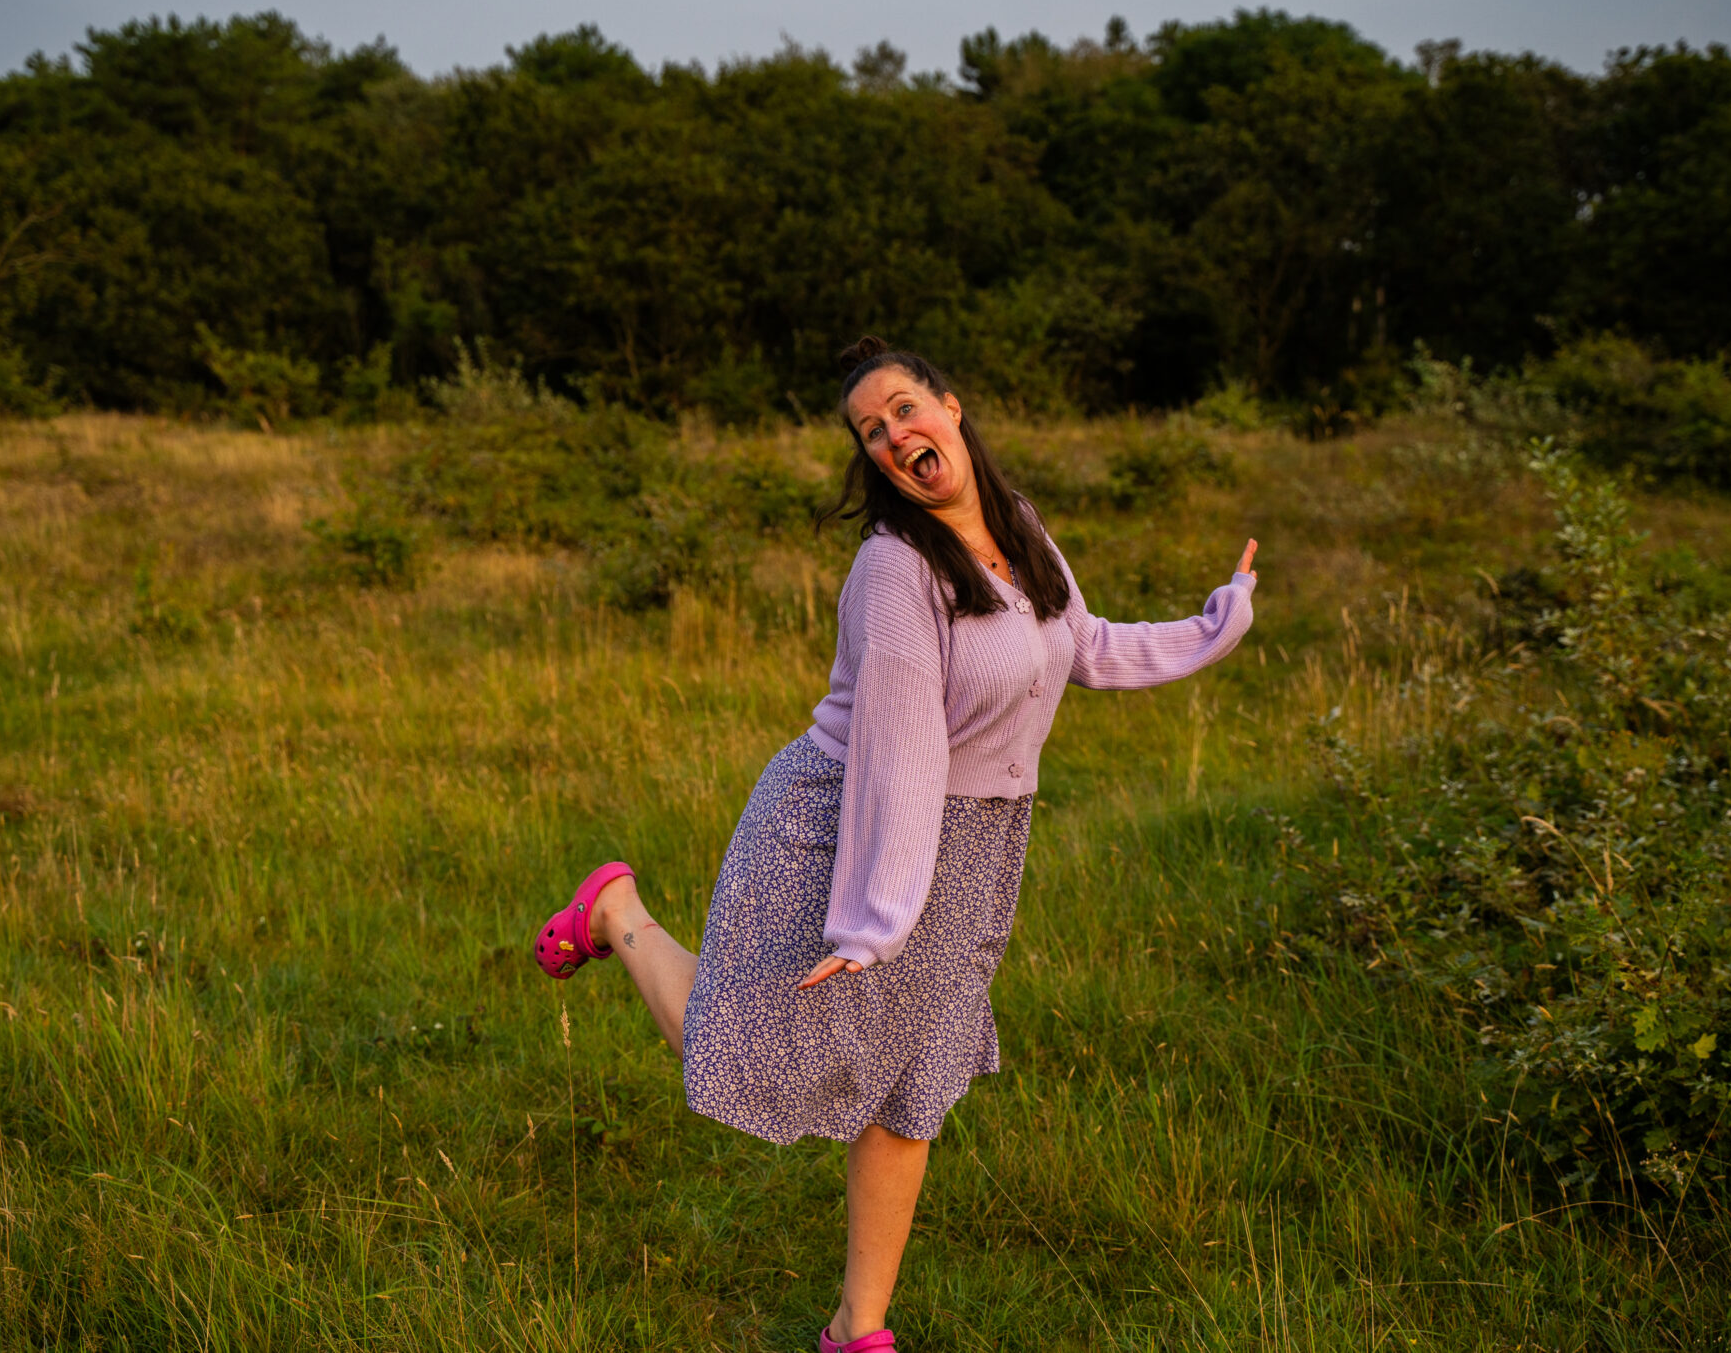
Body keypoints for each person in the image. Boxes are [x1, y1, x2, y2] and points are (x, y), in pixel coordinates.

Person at [532, 336, 1259, 1352]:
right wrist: (876, 921)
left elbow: (1082, 644)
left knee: (915, 1082)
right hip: (843, 825)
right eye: (871, 432)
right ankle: (617, 909)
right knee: (746, 1046)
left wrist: (1211, 626)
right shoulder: (892, 571)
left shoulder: (1021, 532)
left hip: (966, 847)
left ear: (951, 411)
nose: (892, 436)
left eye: (904, 410)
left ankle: (856, 1331)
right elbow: (901, 751)